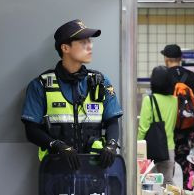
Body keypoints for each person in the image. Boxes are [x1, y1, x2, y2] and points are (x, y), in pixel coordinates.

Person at [21, 19, 122, 172]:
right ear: (65, 48)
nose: (90, 46)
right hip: (56, 168)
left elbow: (112, 121)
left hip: (95, 167)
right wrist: (56, 145)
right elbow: (31, 130)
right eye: (83, 42)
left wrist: (112, 144)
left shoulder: (101, 82)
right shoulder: (41, 85)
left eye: (90, 41)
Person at [162, 44, 194, 190]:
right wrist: (192, 121)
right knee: (189, 167)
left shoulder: (164, 77)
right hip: (189, 131)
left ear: (166, 59)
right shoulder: (193, 77)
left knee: (168, 167)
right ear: (180, 58)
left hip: (169, 130)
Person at [138, 66, 178, 185]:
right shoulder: (174, 100)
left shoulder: (148, 100)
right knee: (168, 182)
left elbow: (143, 127)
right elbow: (173, 123)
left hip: (149, 149)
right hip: (168, 148)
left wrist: (138, 147)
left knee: (145, 182)